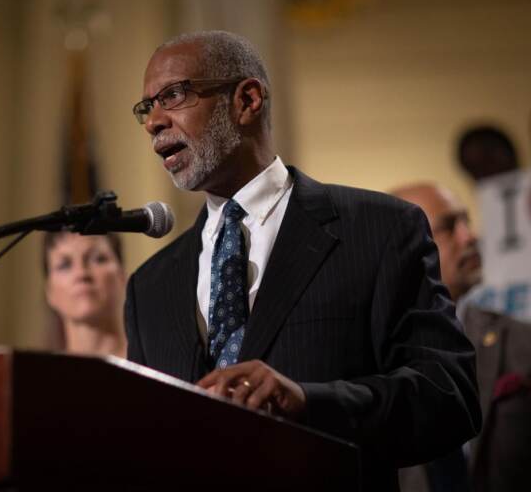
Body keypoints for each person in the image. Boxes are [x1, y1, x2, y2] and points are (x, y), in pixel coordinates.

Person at [124, 30, 481, 490]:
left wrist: (311, 403)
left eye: (172, 95)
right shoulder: (149, 287)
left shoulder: (378, 230)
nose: (154, 122)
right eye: (145, 108)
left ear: (247, 100)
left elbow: (450, 397)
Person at [393, 183, 531, 492]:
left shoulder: (523, 342)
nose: (470, 236)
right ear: (397, 247)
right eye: (449, 226)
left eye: (467, 222)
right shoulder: (362, 357)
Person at [42, 231, 127, 358]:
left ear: (122, 277)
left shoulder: (154, 363)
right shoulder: (41, 375)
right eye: (65, 265)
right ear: (49, 291)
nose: (81, 273)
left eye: (97, 259)